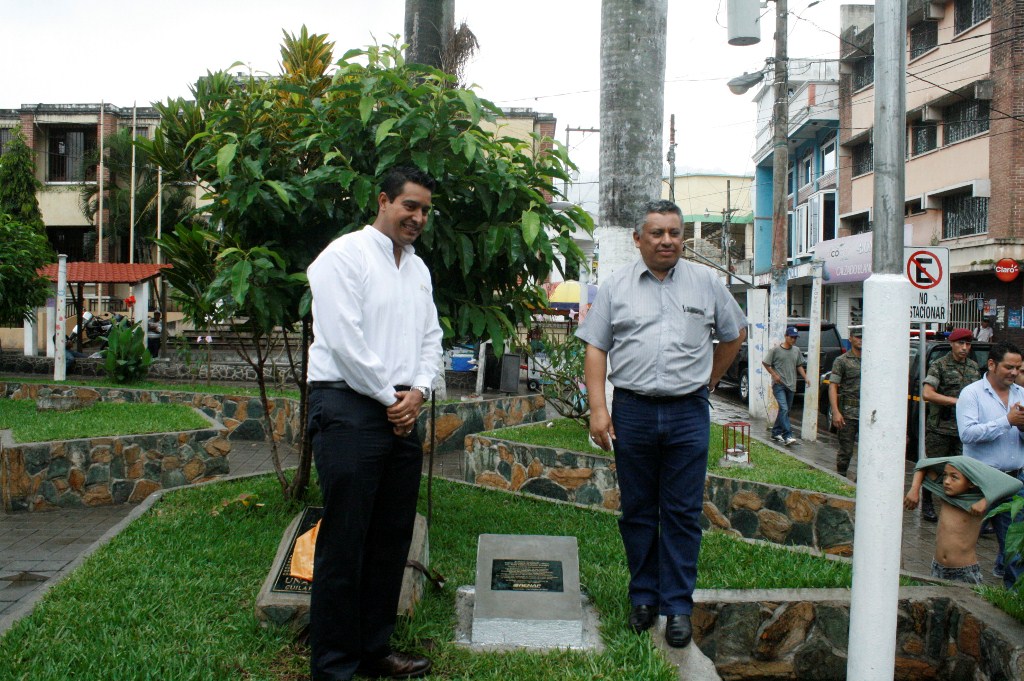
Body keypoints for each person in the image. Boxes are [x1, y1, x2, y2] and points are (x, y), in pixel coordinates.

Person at [576, 199, 746, 649]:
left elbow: (733, 334)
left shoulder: (707, 283)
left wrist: (707, 382)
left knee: (683, 513)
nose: (667, 240)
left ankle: (677, 606)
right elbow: (596, 347)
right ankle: (643, 597)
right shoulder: (615, 287)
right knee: (638, 510)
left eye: (675, 232)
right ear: (638, 239)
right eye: (657, 233)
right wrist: (599, 408)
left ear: (682, 237)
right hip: (631, 409)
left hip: (688, 413)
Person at [305, 166, 442, 681]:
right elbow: (344, 339)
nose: (418, 217)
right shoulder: (343, 256)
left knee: (390, 538)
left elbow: (432, 335)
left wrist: (419, 392)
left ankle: (373, 650)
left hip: (402, 409)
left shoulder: (419, 270)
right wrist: (393, 398)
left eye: (425, 209)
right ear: (384, 200)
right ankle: (334, 666)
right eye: (410, 206)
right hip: (349, 408)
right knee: (345, 540)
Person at [956, 341, 1024, 588]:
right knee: (960, 543)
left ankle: (1012, 600)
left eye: (1018, 368)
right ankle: (959, 590)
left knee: (1014, 549)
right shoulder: (971, 393)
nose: (1014, 373)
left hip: (1013, 483)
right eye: (1009, 367)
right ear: (993, 364)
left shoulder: (1021, 394)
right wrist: (1006, 421)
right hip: (977, 483)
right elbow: (968, 434)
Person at [903, 456, 1022, 585]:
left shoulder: (975, 499)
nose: (947, 481)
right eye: (945, 476)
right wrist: (914, 489)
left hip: (964, 572)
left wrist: (985, 501)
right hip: (937, 567)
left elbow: (1016, 484)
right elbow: (922, 465)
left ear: (971, 483)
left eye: (954, 477)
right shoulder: (944, 493)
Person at [921, 328, 981, 521]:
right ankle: (927, 503)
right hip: (940, 428)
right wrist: (955, 401)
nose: (964, 348)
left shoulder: (973, 367)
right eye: (960, 344)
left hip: (964, 430)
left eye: (968, 344)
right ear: (952, 344)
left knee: (961, 471)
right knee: (936, 467)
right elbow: (927, 393)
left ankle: (958, 508)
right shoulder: (939, 365)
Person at [762, 326, 808, 446]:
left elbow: (799, 365)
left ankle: (776, 431)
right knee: (784, 408)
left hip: (791, 385)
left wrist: (805, 377)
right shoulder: (775, 350)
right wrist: (774, 374)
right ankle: (787, 435)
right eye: (791, 337)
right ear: (786, 336)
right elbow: (765, 363)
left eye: (795, 338)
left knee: (785, 411)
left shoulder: (796, 350)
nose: (793, 340)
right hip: (779, 385)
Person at [829, 325, 862, 477]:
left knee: (867, 451)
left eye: (863, 337)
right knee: (846, 450)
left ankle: (861, 481)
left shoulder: (872, 360)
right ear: (851, 338)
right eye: (858, 337)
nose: (861, 340)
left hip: (868, 414)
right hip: (848, 413)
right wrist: (835, 412)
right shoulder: (842, 361)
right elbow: (833, 386)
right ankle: (841, 477)